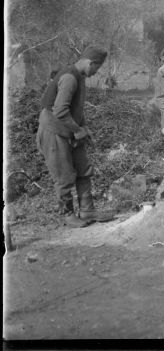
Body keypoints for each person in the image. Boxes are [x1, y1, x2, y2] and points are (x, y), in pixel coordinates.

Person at [37, 46, 113, 228]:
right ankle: (67, 214)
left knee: (83, 168)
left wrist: (84, 127)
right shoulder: (70, 78)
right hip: (54, 131)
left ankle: (87, 210)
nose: (96, 73)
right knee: (63, 175)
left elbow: (76, 108)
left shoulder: (80, 76)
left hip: (69, 129)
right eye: (97, 68)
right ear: (90, 62)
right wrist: (78, 130)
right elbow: (60, 110)